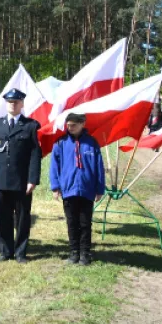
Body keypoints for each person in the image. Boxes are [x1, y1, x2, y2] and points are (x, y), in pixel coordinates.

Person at [0, 88, 42, 264]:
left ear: (22, 104)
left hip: (22, 181)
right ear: (6, 103)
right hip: (1, 179)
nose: (13, 104)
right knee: (3, 217)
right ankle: (5, 250)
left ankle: (20, 252)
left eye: (16, 102)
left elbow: (35, 155)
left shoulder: (31, 126)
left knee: (23, 218)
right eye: (10, 102)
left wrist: (33, 180)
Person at [49, 113, 105, 265]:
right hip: (68, 189)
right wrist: (55, 187)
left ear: (82, 124)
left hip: (87, 189)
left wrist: (100, 188)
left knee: (85, 222)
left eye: (73, 125)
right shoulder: (60, 143)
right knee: (72, 221)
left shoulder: (92, 143)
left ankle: (85, 253)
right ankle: (74, 252)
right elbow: (54, 167)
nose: (70, 128)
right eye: (68, 125)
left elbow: (99, 166)